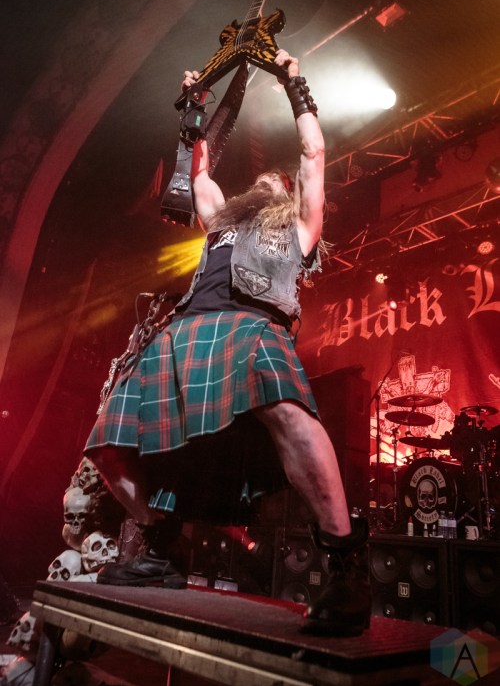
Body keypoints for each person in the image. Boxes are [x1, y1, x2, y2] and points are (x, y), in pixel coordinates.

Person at [84, 50, 371, 636]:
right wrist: (195, 109)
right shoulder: (220, 220)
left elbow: (313, 154)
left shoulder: (300, 225)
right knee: (108, 444)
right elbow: (199, 172)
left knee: (291, 416)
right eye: (260, 180)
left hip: (252, 325)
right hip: (185, 332)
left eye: (276, 182)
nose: (266, 181)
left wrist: (293, 82)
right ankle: (158, 547)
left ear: (287, 196)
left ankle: (345, 564)